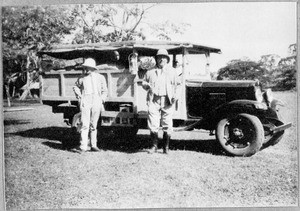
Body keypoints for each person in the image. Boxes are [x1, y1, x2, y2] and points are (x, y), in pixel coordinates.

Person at [142, 49, 180, 154]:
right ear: (156, 59)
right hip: (154, 100)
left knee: (167, 123)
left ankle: (166, 148)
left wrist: (175, 96)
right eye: (159, 57)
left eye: (164, 57)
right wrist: (146, 85)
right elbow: (144, 83)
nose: (161, 59)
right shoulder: (150, 71)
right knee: (153, 124)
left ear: (167, 59)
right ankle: (154, 146)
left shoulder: (172, 71)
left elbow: (178, 85)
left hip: (167, 100)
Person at [71, 58, 108, 153]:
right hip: (86, 99)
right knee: (84, 123)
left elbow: (105, 91)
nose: (86, 69)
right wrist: (80, 97)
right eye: (85, 67)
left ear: (93, 68)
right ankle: (83, 147)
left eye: (89, 68)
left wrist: (101, 100)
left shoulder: (100, 77)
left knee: (94, 124)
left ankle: (93, 145)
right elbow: (75, 87)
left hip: (96, 100)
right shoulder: (82, 78)